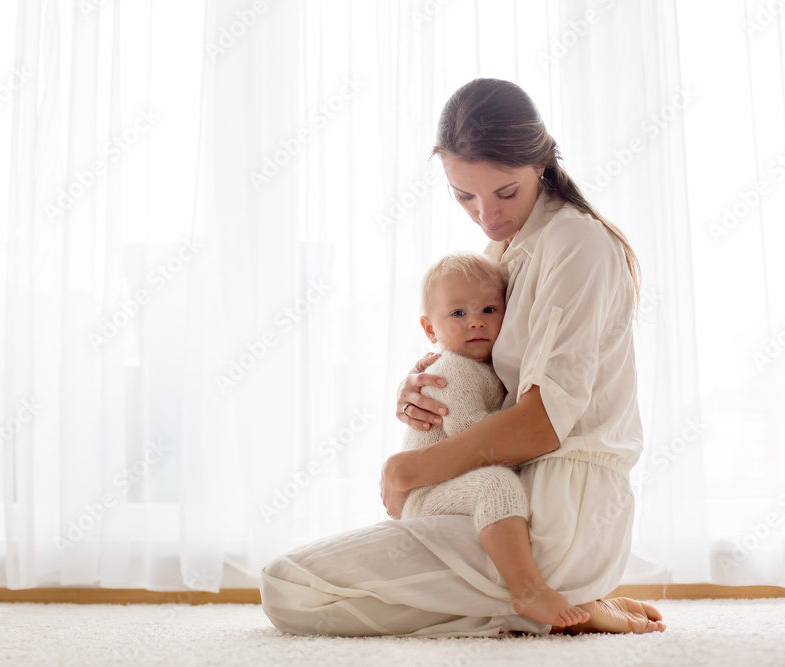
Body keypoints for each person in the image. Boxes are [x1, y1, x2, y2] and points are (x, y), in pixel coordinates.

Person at [260, 77, 665, 637]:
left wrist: (406, 470)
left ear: (543, 162)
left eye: (505, 192)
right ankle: (571, 600)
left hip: (556, 515)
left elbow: (545, 422)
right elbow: (489, 379)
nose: (486, 216)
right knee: (310, 589)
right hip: (508, 509)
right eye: (464, 195)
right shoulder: (504, 250)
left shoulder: (577, 243)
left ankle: (554, 591)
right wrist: (432, 382)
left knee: (288, 585)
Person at [399, 250, 590, 628]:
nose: (475, 323)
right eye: (458, 314)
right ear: (429, 329)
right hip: (426, 491)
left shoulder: (488, 369)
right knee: (497, 482)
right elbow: (474, 439)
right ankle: (526, 588)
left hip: (447, 479)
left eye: (489, 310)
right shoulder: (454, 371)